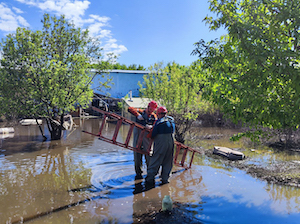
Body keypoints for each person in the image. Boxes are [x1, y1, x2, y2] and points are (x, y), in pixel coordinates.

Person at [128, 100, 158, 180]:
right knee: (137, 156)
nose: (151, 112)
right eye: (150, 109)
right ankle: (138, 174)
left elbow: (156, 126)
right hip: (137, 138)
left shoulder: (154, 117)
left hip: (147, 139)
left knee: (148, 156)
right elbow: (129, 108)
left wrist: (151, 128)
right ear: (148, 107)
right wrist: (137, 115)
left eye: (153, 110)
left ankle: (150, 173)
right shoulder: (140, 112)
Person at [145, 106, 175, 185]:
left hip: (161, 142)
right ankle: (165, 179)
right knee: (168, 160)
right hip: (171, 141)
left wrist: (150, 129)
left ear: (159, 114)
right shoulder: (171, 120)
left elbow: (153, 134)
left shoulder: (159, 122)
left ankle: (150, 179)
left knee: (156, 159)